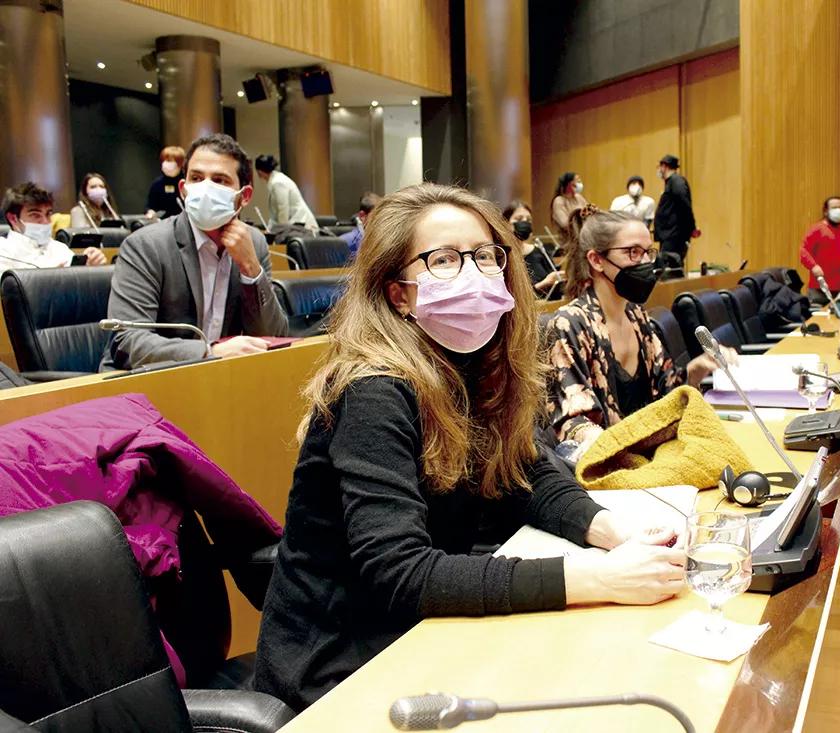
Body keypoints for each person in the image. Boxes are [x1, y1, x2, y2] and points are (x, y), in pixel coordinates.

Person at [252, 183, 685, 711]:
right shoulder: (373, 390)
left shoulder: (477, 364)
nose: (473, 274)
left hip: (427, 636)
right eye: (443, 260)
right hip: (343, 667)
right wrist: (598, 578)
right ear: (399, 294)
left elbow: (526, 474)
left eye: (484, 256)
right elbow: (401, 572)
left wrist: (615, 532)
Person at [547, 206, 729, 451]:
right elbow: (574, 423)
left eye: (648, 252)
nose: (645, 263)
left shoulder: (635, 314)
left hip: (655, 451)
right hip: (611, 462)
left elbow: (666, 391)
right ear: (597, 260)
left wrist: (696, 370)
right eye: (633, 252)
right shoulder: (569, 324)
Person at [102, 133, 288, 370]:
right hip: (150, 381)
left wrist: (251, 268)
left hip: (224, 380)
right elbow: (126, 342)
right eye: (196, 178)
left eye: (220, 180)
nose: (206, 188)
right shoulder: (145, 245)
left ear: (244, 196)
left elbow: (274, 336)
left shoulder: (254, 243)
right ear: (183, 189)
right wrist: (210, 353)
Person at [0, 182, 106, 270]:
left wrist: (90, 265)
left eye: (48, 214)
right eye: (35, 215)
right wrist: (51, 279)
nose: (45, 222)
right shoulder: (3, 250)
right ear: (13, 219)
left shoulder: (59, 247)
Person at [799, 196, 840, 306]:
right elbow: (803, 250)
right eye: (835, 208)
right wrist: (813, 266)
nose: (839, 210)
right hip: (820, 289)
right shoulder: (817, 229)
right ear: (825, 211)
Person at [504, 199, 561, 297]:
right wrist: (542, 284)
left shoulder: (540, 251)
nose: (524, 222)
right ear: (506, 223)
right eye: (519, 219)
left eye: (528, 220)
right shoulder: (503, 255)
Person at [254, 154, 319, 233]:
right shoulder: (276, 180)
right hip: (295, 226)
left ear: (259, 172)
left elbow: (283, 211)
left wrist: (278, 232)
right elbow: (275, 215)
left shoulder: (278, 182)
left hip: (303, 227)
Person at [653, 154, 697, 262]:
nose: (659, 170)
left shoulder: (676, 182)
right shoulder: (672, 182)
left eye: (660, 166)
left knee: (670, 266)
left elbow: (685, 205)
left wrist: (692, 228)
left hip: (674, 235)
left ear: (665, 166)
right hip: (670, 235)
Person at [145, 145, 186, 219]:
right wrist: (150, 212)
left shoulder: (186, 182)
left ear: (180, 164)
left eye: (170, 161)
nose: (166, 164)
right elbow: (151, 206)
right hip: (163, 221)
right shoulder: (157, 184)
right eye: (164, 161)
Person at [341, 191, 382, 257]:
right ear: (362, 216)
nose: (381, 221)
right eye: (377, 216)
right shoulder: (344, 243)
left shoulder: (385, 241)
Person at [550, 171, 587, 238]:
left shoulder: (579, 197)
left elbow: (589, 212)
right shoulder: (559, 201)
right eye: (578, 181)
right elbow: (565, 224)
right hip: (568, 239)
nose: (580, 184)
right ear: (569, 185)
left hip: (583, 236)